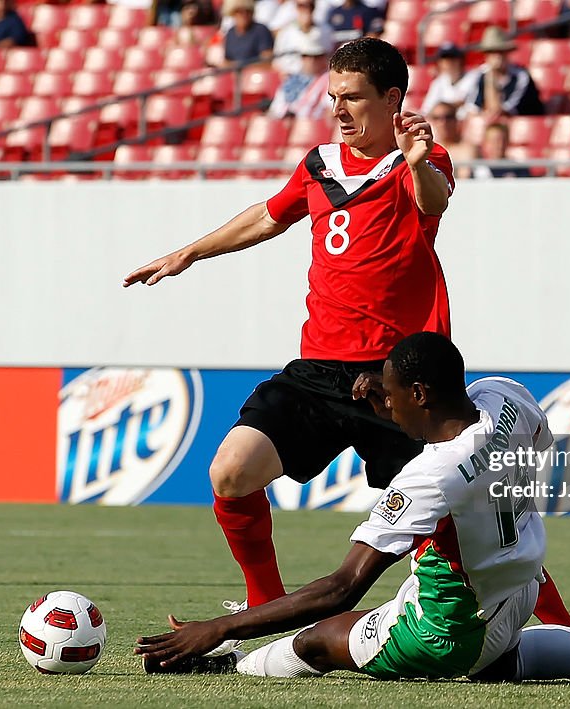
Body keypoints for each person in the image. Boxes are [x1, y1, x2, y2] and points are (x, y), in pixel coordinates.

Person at [134, 333, 570, 688]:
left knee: (322, 639)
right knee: (503, 657)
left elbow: (340, 585)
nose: (377, 402)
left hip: (447, 627)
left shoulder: (430, 475)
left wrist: (215, 627)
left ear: (417, 393)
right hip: (516, 588)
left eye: (386, 393)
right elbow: (483, 445)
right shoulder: (508, 398)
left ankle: (228, 663)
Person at [123, 38, 458, 650]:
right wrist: (189, 253)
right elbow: (268, 215)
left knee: (459, 518)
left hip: (398, 383)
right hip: (319, 371)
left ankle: (557, 623)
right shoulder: (320, 164)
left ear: (393, 99)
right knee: (231, 472)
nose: (339, 109)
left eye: (353, 97)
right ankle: (265, 604)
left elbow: (433, 201)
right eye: (333, 97)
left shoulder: (423, 160)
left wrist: (414, 160)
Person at [463, 27, 545, 119]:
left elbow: (504, 111)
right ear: (486, 55)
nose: (498, 56)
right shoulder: (480, 75)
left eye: (501, 52)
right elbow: (472, 108)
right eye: (492, 52)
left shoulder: (521, 76)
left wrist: (491, 82)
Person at [267, 36, 329, 118]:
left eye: (316, 56)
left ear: (324, 58)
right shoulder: (291, 80)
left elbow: (329, 111)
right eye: (306, 56)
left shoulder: (329, 80)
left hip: (309, 126)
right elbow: (274, 110)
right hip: (281, 123)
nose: (311, 61)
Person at [272, 0, 331, 76]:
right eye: (301, 5)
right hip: (291, 77)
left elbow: (327, 55)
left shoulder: (325, 30)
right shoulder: (285, 32)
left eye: (310, 5)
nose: (306, 9)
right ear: (296, 7)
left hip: (319, 77)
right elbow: (276, 63)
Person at [420, 43, 477, 117]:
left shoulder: (473, 77)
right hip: (441, 123)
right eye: (444, 60)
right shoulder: (438, 82)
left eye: (452, 58)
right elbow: (427, 110)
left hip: (464, 123)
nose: (448, 63)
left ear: (460, 60)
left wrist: (439, 108)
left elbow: (464, 103)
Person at [222, 0, 274, 66]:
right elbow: (227, 60)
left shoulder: (261, 30)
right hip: (234, 74)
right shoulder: (230, 33)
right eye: (240, 11)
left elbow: (266, 60)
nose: (244, 15)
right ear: (233, 13)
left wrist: (242, 66)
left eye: (248, 11)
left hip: (254, 73)